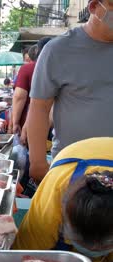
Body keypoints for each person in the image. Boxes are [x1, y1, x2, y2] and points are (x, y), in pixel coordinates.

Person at [27, 0, 113, 182]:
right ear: (93, 7)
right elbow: (39, 107)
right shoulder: (58, 50)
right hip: (74, 169)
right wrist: (37, 162)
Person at [13, 137, 113, 262]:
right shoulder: (50, 206)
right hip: (74, 157)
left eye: (105, 245)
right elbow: (24, 255)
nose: (94, 250)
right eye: (77, 239)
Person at [11, 41, 49, 141]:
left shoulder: (27, 69)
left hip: (31, 124)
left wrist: (15, 122)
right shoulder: (60, 69)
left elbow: (19, 97)